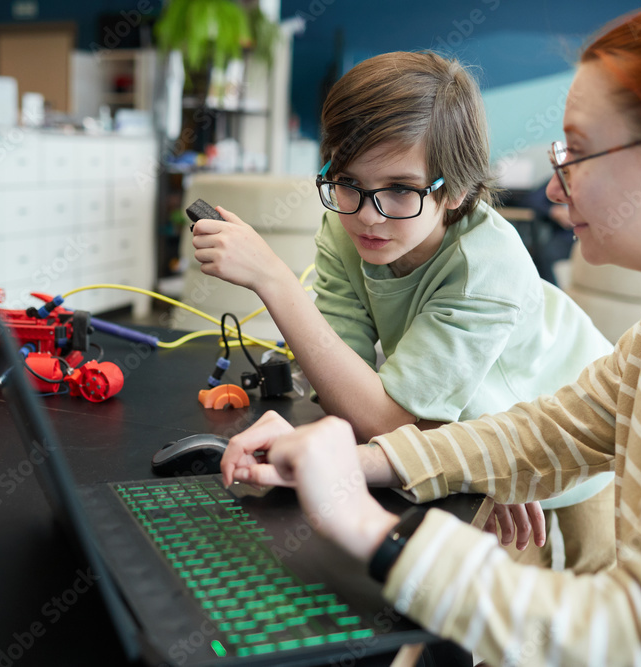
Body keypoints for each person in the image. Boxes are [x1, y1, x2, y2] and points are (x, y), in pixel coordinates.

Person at [219, 2, 641, 664]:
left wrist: (367, 525)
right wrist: (341, 461)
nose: (555, 190)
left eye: (579, 153)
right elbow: (541, 433)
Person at [191, 51, 614, 570]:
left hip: (566, 443)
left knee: (564, 612)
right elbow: (342, 384)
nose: (368, 215)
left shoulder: (484, 266)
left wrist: (273, 280)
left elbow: (383, 419)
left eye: (399, 189)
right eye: (346, 182)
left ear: (456, 188)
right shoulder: (348, 228)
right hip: (462, 442)